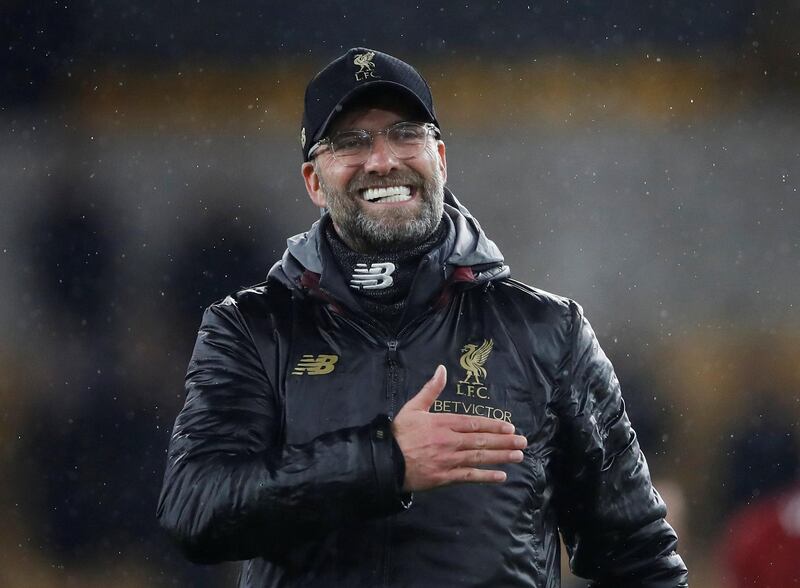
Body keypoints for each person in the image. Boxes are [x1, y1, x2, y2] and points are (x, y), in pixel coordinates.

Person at [157, 47, 689, 587]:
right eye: (350, 141)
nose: (383, 159)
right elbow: (196, 509)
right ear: (314, 182)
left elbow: (640, 555)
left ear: (439, 158)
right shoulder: (252, 329)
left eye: (405, 134)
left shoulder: (547, 332)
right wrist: (386, 461)